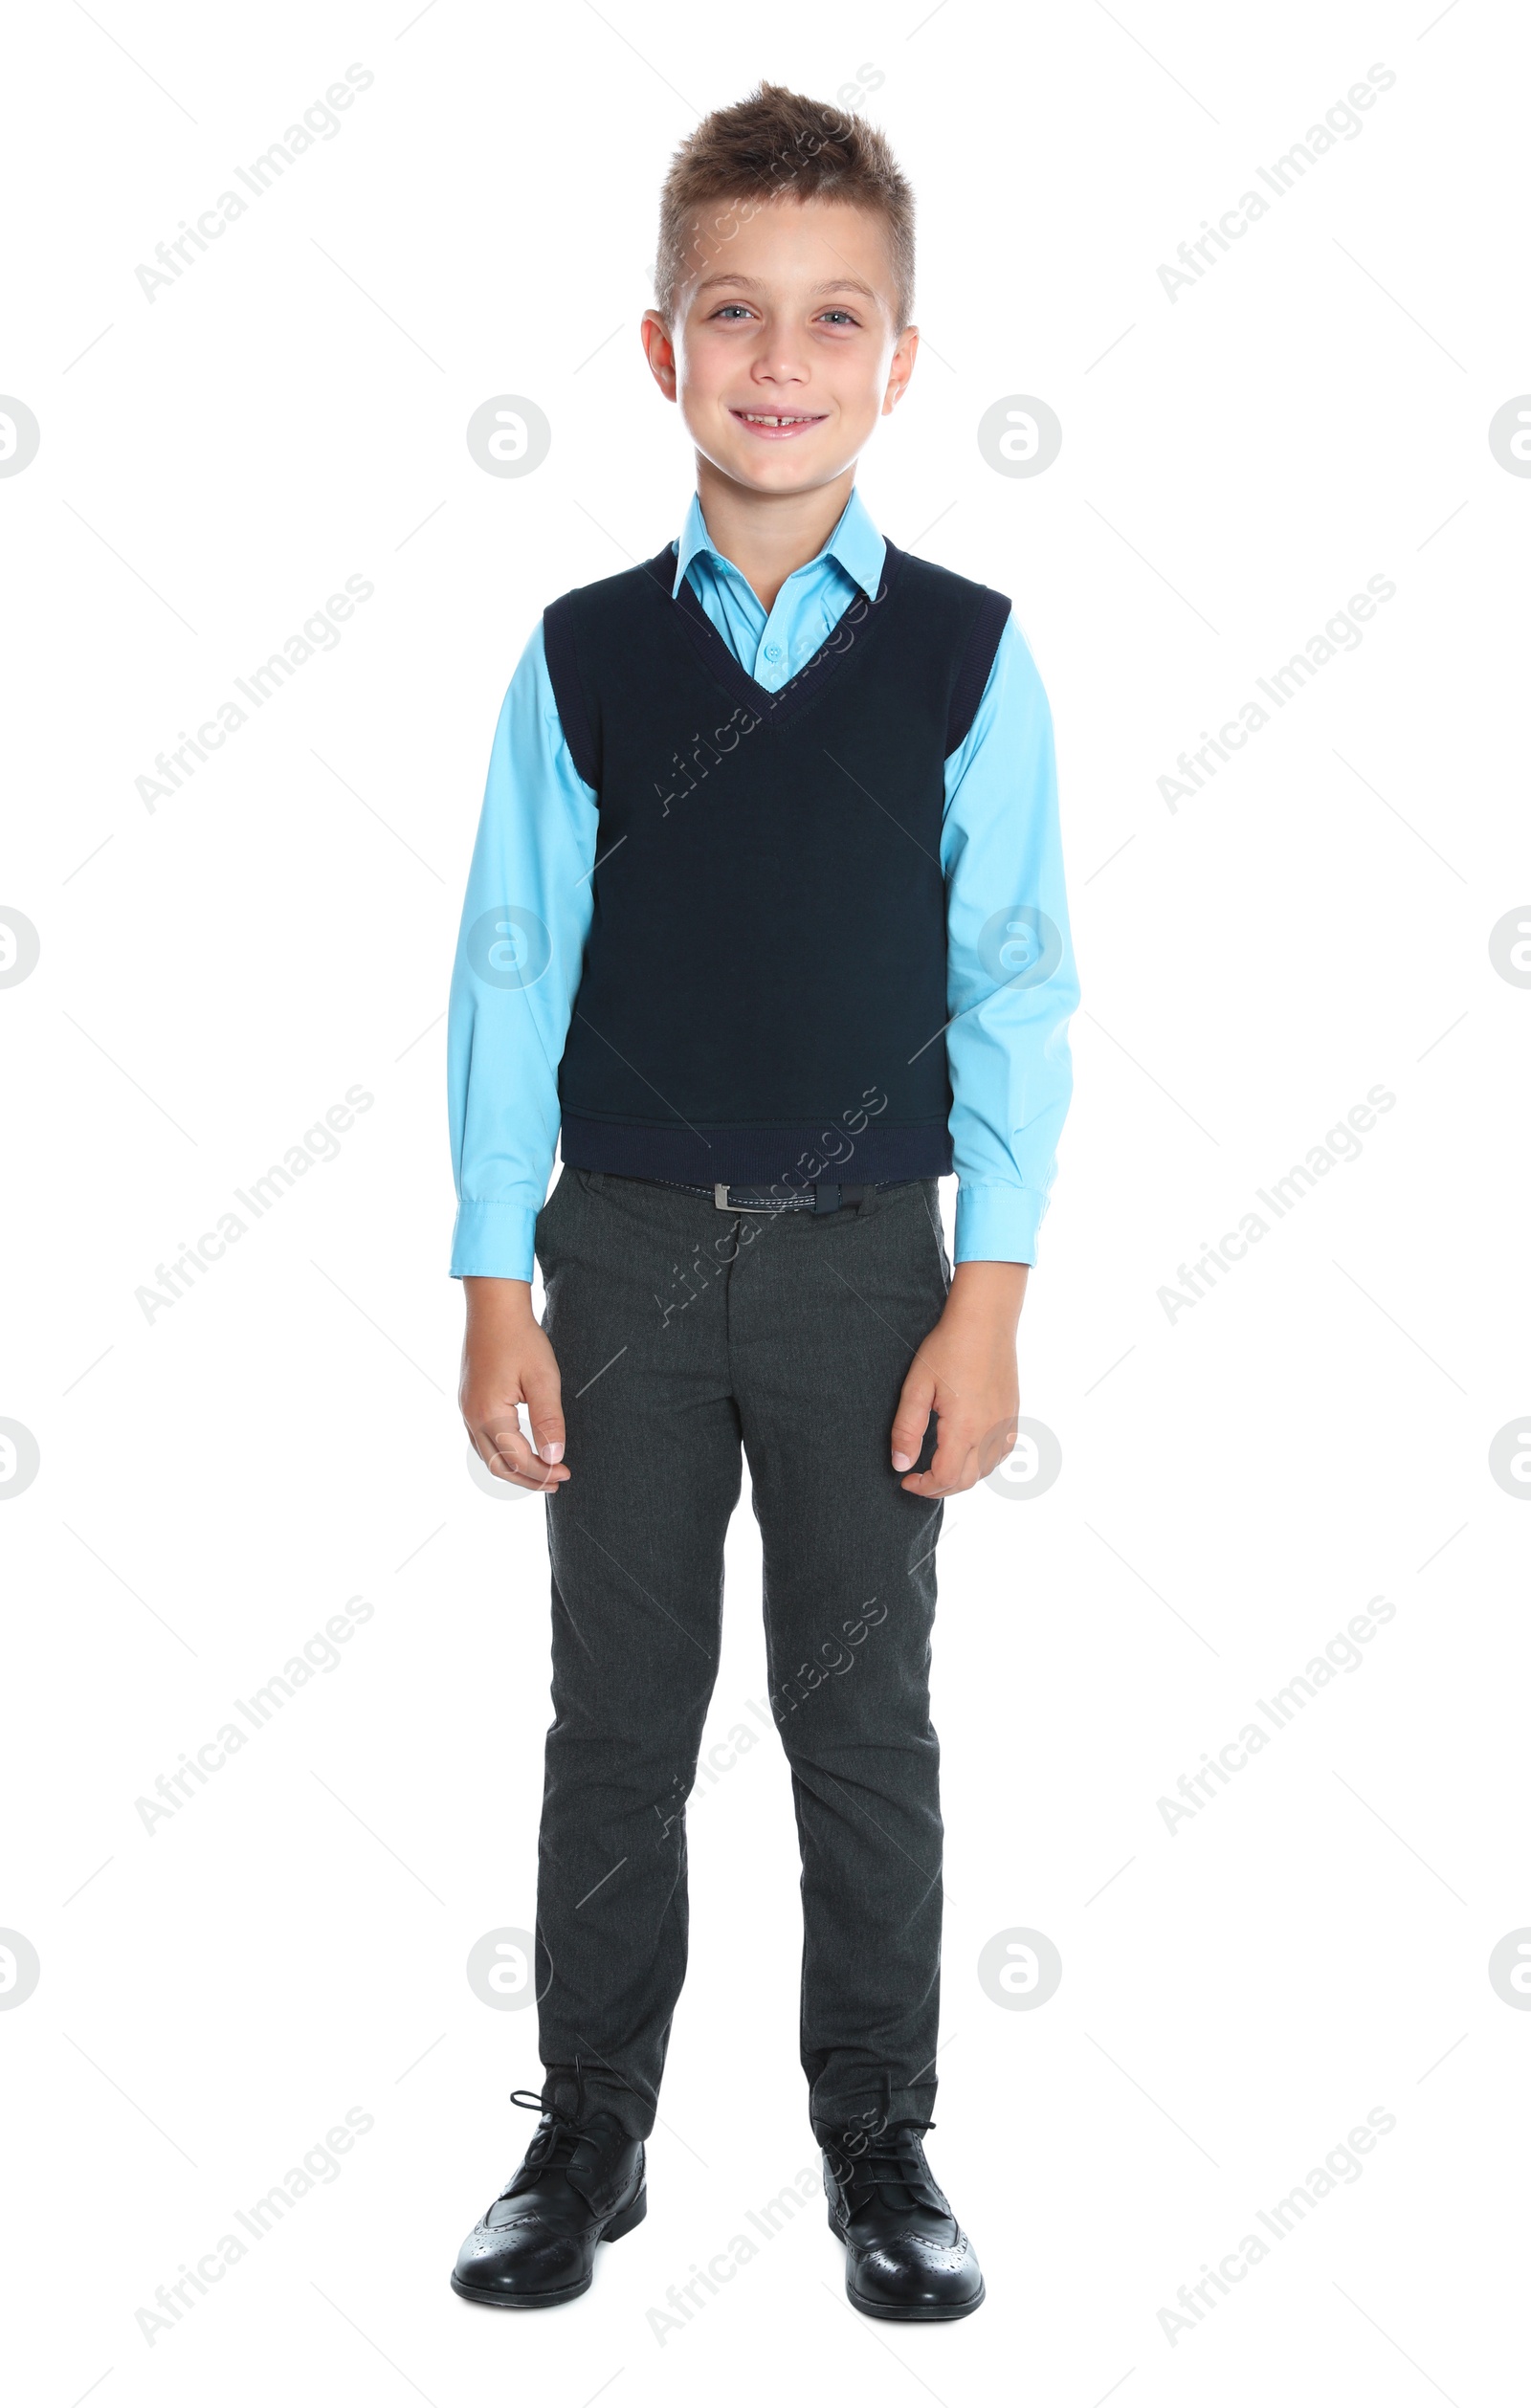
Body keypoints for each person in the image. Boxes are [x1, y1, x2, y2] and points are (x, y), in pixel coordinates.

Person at [446, 79, 1076, 2321]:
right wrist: (488, 1270)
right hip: (610, 1255)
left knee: (857, 1714)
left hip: (856, 1273)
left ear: (895, 360)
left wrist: (980, 1294)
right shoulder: (584, 654)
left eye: (830, 320)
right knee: (613, 1705)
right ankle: (586, 2124)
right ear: (661, 349)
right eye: (735, 314)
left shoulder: (963, 657)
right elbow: (505, 969)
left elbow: (1015, 989)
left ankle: (877, 2136)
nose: (779, 361)